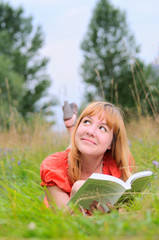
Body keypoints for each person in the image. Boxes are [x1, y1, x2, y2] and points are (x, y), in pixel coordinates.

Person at [40, 101, 135, 212]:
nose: (91, 131)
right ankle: (72, 128)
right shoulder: (53, 168)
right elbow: (63, 221)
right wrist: (77, 192)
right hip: (60, 208)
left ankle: (71, 127)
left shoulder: (117, 164)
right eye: (86, 122)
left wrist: (114, 214)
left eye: (102, 128)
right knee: (72, 153)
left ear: (111, 143)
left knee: (85, 142)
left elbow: (124, 212)